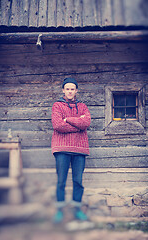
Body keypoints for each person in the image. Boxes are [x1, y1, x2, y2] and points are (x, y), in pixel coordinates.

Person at [51, 77, 91, 223]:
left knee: (78, 181)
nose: (69, 91)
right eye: (67, 88)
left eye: (72, 89)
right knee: (61, 180)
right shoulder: (57, 105)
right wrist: (77, 122)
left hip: (80, 149)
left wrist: (67, 119)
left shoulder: (83, 106)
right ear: (63, 90)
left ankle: (77, 210)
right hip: (61, 148)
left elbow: (86, 122)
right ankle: (59, 211)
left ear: (76, 91)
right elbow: (57, 125)